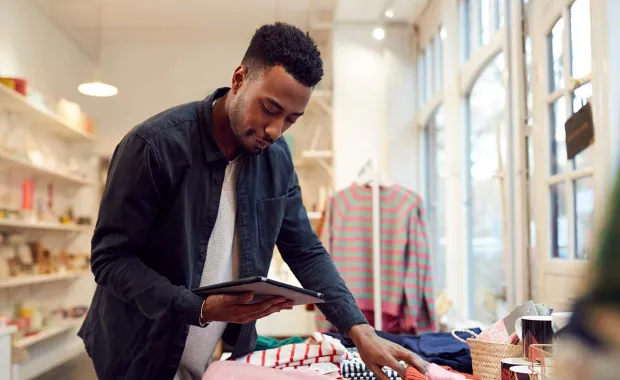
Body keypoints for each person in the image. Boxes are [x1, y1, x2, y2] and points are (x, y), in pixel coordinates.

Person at [78, 22, 427, 380]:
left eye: (291, 119)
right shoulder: (152, 147)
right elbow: (111, 259)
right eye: (269, 109)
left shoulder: (277, 161)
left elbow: (305, 250)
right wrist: (198, 308)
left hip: (220, 354)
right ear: (240, 78)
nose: (276, 130)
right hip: (139, 351)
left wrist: (359, 329)